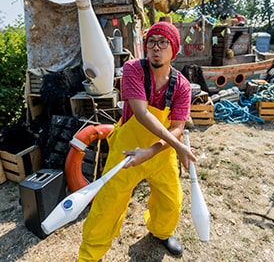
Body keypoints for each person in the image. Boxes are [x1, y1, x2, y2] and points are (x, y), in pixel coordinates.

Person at [77, 21, 197, 261]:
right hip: (127, 151)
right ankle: (90, 255)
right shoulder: (133, 69)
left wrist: (154, 151)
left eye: (164, 43)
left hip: (161, 151)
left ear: (174, 50)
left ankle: (160, 232)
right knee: (108, 204)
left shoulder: (182, 85)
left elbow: (177, 128)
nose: (156, 47)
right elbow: (141, 113)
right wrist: (178, 145)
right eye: (152, 41)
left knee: (172, 200)